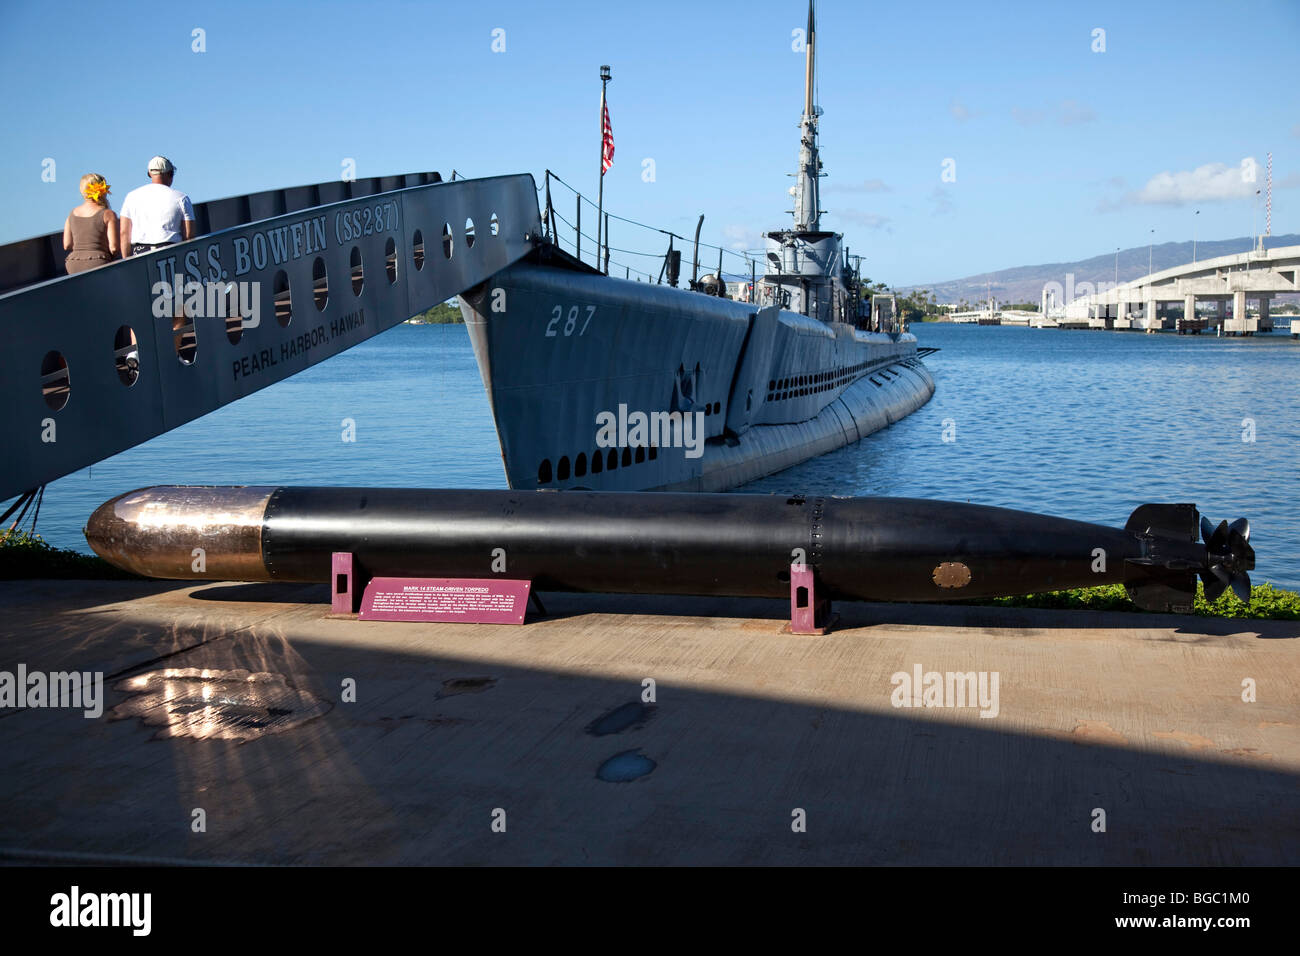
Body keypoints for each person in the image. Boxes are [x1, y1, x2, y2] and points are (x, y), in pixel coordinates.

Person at [119, 156, 196, 256]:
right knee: (176, 273)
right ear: (170, 174)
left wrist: (127, 261)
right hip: (172, 253)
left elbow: (124, 233)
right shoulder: (181, 198)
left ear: (149, 174)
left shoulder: (131, 196)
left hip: (140, 253)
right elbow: (189, 235)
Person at [63, 173, 118, 274]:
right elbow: (114, 248)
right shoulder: (108, 214)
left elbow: (67, 245)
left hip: (73, 264)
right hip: (99, 262)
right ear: (103, 190)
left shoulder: (72, 213)